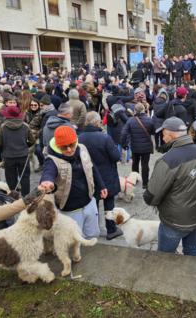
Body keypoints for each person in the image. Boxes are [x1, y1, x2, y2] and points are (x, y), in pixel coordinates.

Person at [144, 117, 196, 256]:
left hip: (174, 221)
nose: (162, 138)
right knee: (191, 249)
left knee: (164, 256)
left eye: (163, 134)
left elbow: (152, 196)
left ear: (171, 135)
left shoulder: (168, 160)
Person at [39, 126, 107, 239]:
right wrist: (47, 181)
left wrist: (101, 185)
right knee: (74, 238)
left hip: (89, 201)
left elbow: (92, 167)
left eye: (71, 145)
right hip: (70, 208)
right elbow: (48, 172)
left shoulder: (82, 148)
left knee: (93, 234)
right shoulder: (52, 160)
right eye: (64, 147)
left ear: (76, 140)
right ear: (57, 145)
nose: (69, 149)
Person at [79, 112, 123, 240]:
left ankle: (93, 230)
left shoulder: (80, 138)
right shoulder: (104, 138)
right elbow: (116, 156)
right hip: (107, 175)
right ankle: (111, 229)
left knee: (93, 204)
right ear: (97, 122)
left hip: (89, 176)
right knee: (109, 203)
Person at [0, 106, 34, 196]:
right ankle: (26, 198)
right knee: (24, 177)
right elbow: (32, 141)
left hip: (9, 156)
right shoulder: (25, 126)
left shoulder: (3, 127)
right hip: (23, 155)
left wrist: (2, 152)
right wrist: (25, 146)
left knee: (11, 178)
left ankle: (13, 197)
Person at [121, 103, 154, 189]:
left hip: (135, 146)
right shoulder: (149, 120)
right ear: (144, 110)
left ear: (135, 110)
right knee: (145, 165)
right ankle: (145, 183)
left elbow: (124, 133)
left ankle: (134, 180)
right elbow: (153, 132)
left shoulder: (130, 120)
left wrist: (124, 144)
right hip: (146, 147)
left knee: (135, 163)